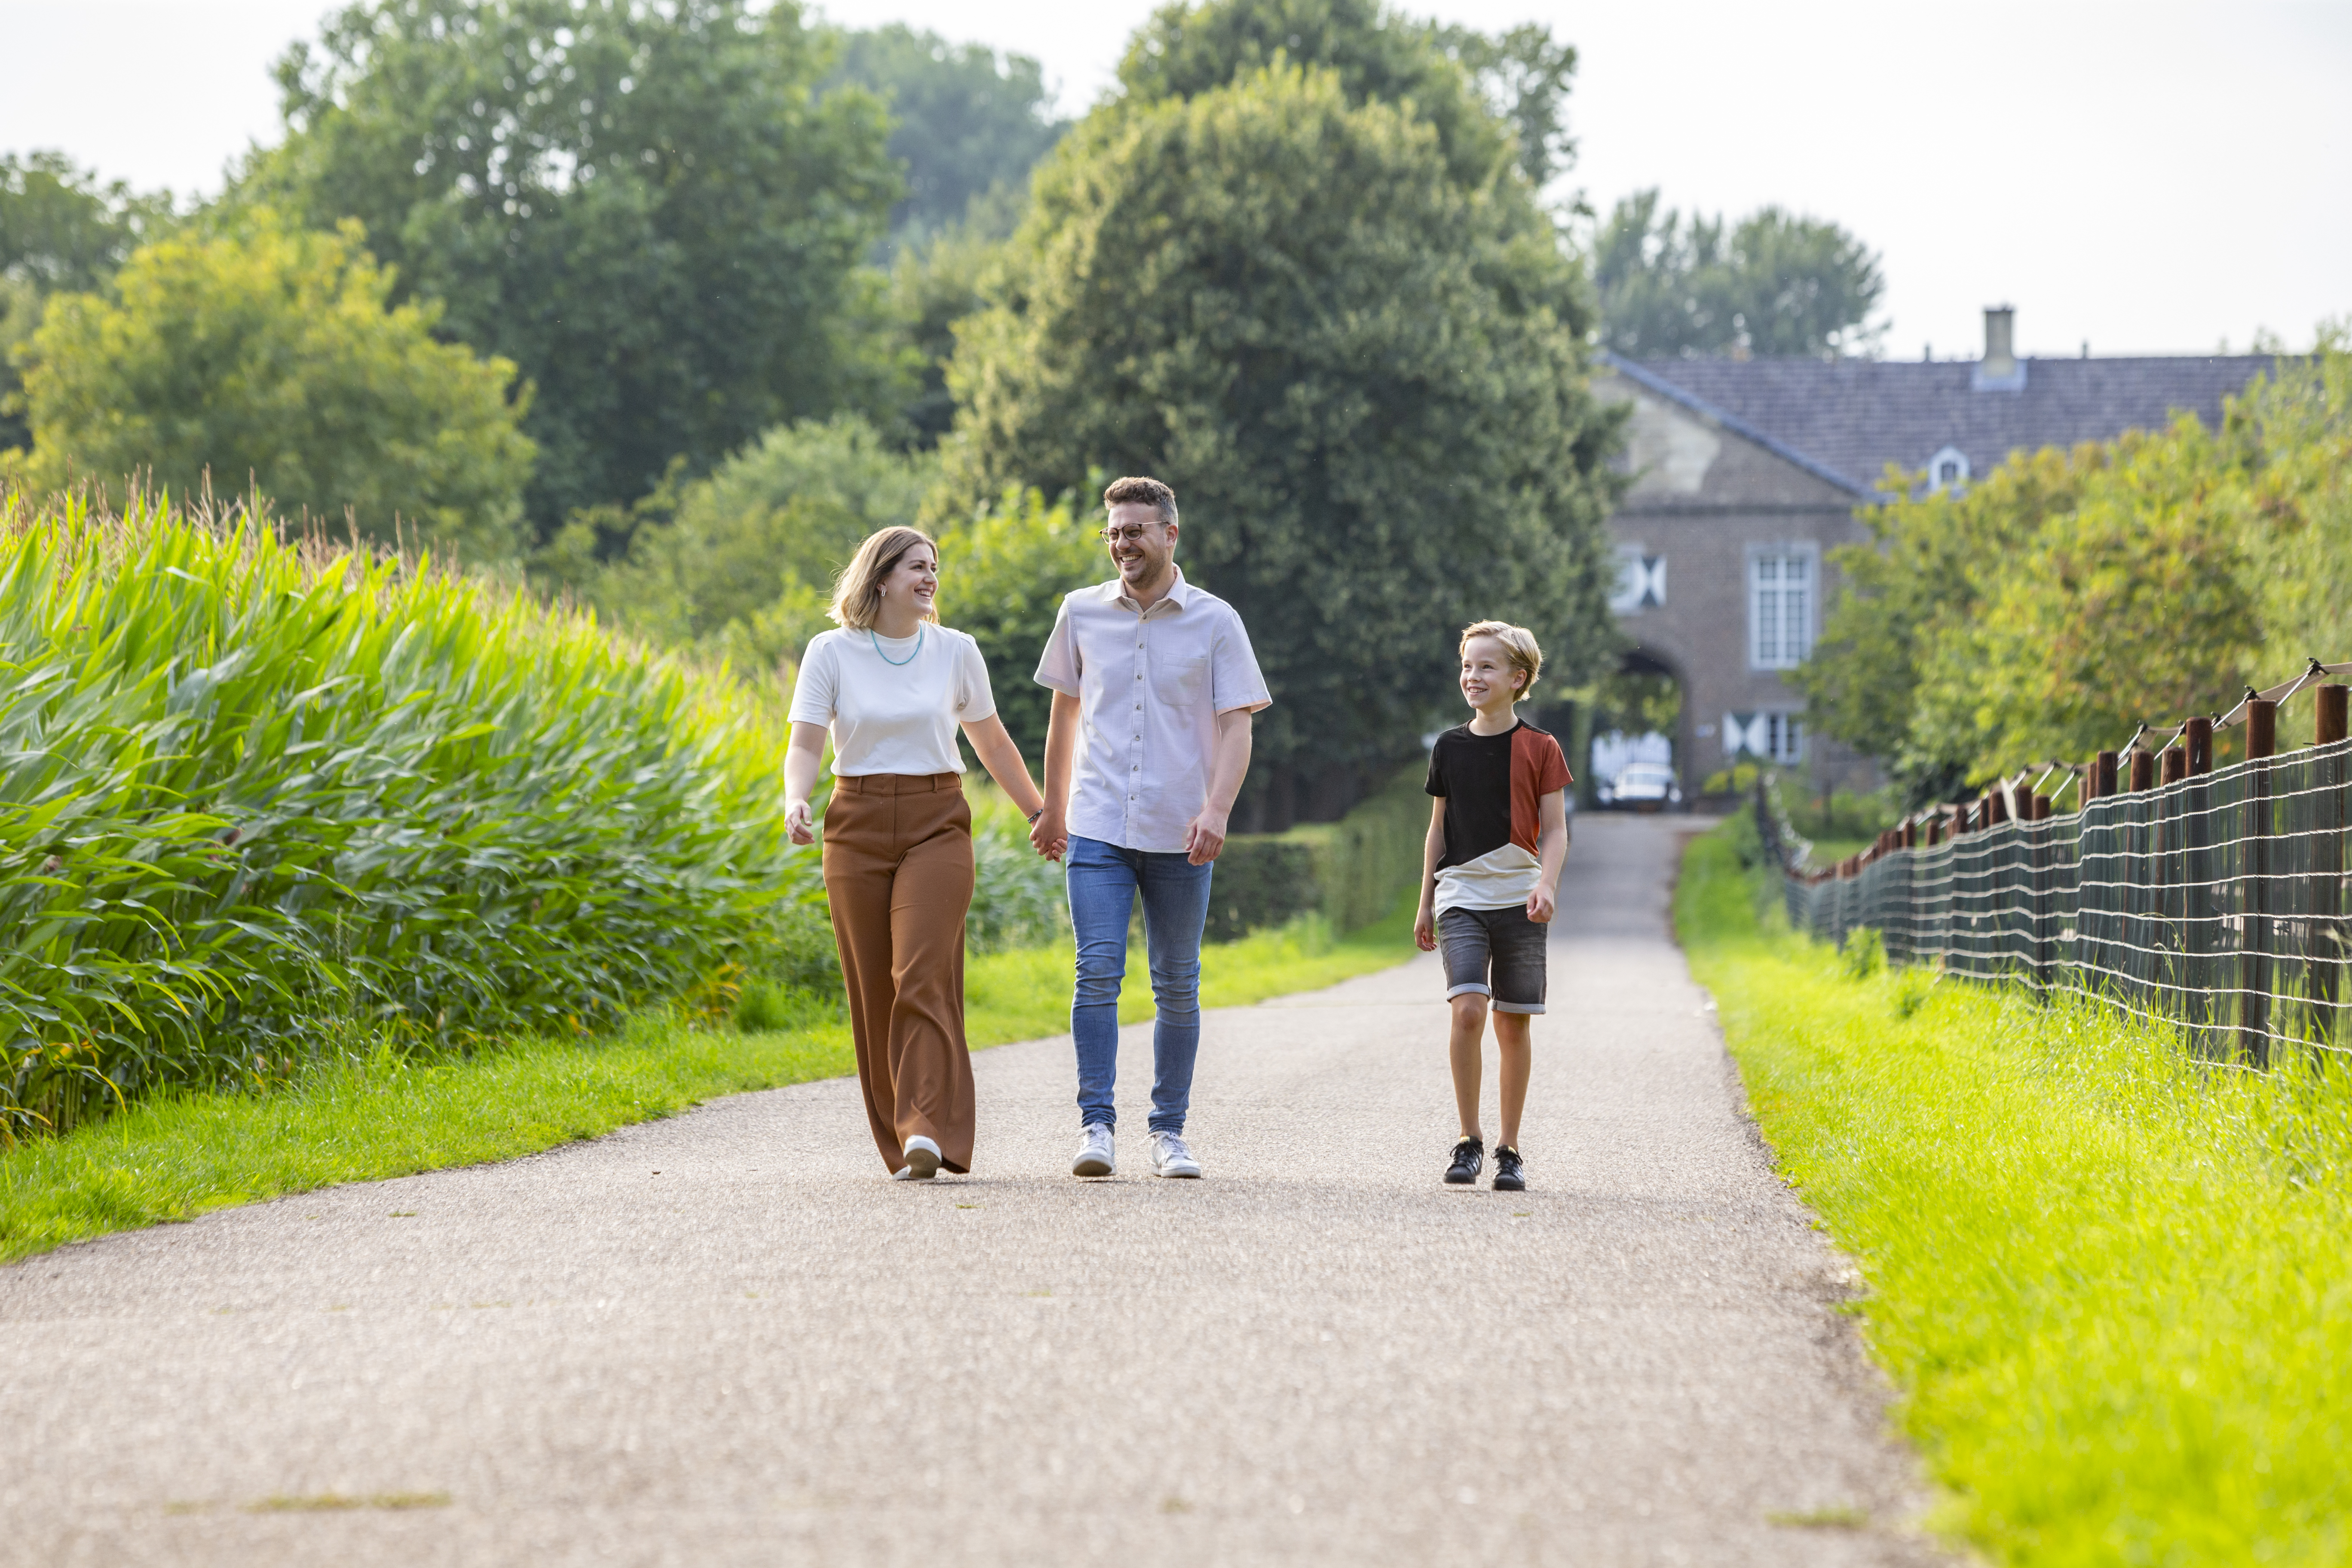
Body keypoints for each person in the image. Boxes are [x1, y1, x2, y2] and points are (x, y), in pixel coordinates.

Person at [783, 526, 1053, 1181]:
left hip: (938, 823)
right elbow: (807, 742)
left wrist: (1040, 812)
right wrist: (796, 799)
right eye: (917, 567)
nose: (931, 578)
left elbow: (992, 744)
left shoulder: (956, 651)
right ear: (880, 578)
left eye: (934, 567)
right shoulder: (831, 652)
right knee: (873, 987)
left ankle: (926, 1126)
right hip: (855, 824)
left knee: (922, 971)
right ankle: (900, 1135)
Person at [1029, 476, 1270, 1180]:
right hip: (1098, 821)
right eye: (1112, 532)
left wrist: (1218, 809)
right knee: (1096, 970)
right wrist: (1052, 806)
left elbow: (1237, 724)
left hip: (1181, 828)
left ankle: (1169, 1131)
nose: (1121, 543)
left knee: (1177, 982)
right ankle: (1096, 1126)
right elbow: (1064, 716)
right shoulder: (1080, 613)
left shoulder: (1216, 621)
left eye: (1134, 530)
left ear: (1170, 534)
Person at [1413, 621, 1571, 1193]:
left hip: (1520, 898)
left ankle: (1509, 1149)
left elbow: (1555, 831)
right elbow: (1437, 831)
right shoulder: (1449, 747)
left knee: (1512, 1023)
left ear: (1517, 678)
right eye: (1466, 666)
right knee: (1468, 1011)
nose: (1471, 677)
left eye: (1485, 667)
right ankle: (1468, 1140)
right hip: (1461, 895)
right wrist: (1425, 901)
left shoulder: (1542, 748)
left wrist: (1547, 884)